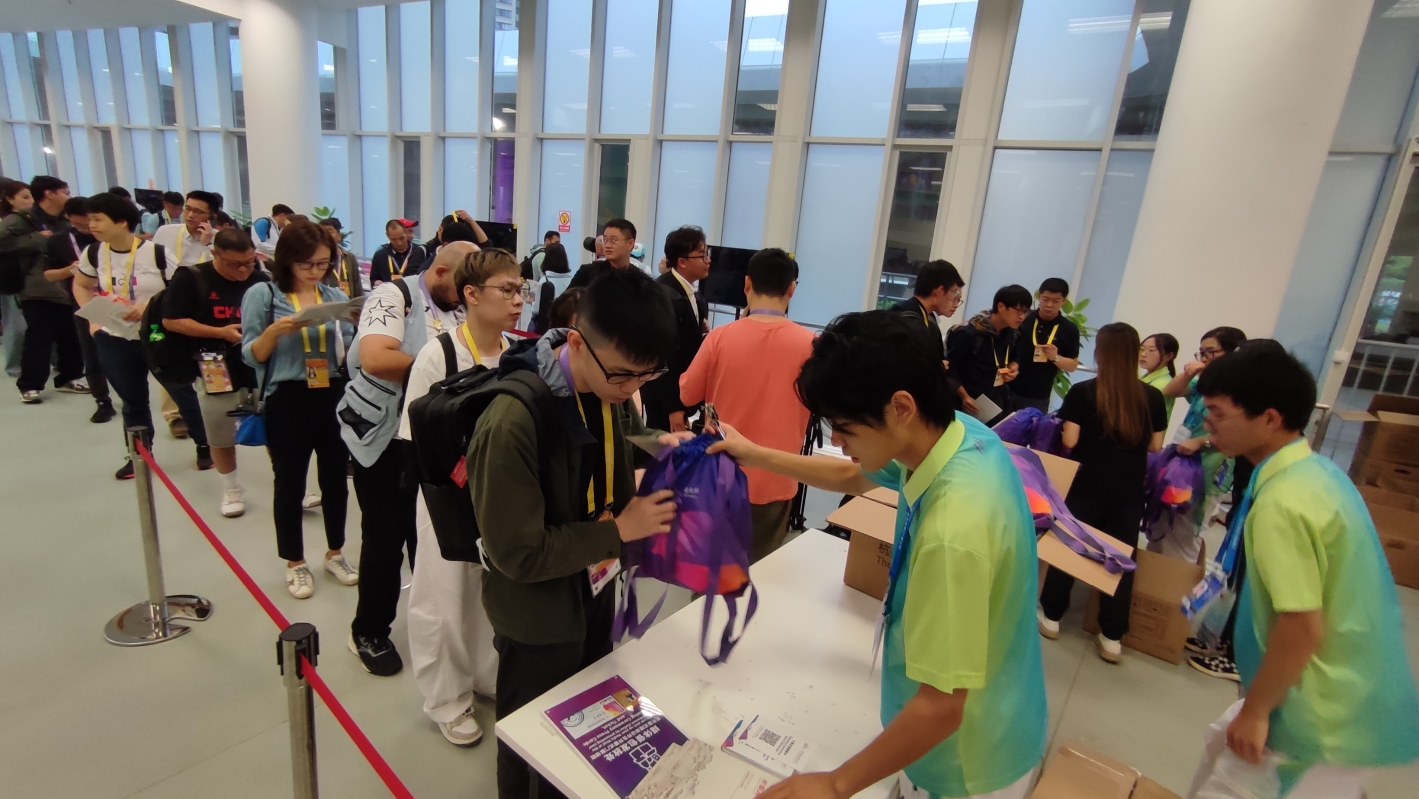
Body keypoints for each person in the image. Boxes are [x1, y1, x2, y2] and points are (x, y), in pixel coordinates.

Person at [711, 311, 1047, 799]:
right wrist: (755, 454)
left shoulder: (953, 530)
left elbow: (941, 708)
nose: (835, 440)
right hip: (990, 705)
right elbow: (853, 475)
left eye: (845, 427)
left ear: (901, 406)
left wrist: (835, 784)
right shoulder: (960, 436)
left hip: (964, 761)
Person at [472, 267, 679, 799]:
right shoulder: (511, 422)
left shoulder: (608, 389)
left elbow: (622, 437)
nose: (631, 389)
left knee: (587, 716)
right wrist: (621, 529)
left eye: (646, 376)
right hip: (536, 614)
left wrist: (664, 443)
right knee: (529, 740)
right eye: (624, 375)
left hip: (593, 588)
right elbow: (519, 554)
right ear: (578, 342)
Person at [1185, 342, 1419, 799]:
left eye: (1217, 412)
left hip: (1312, 709)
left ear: (1269, 418)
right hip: (1336, 691)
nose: (1207, 422)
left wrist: (1257, 711)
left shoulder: (1283, 504)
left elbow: (1301, 624)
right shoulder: (1317, 474)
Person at [402, 246, 523, 746]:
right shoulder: (439, 355)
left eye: (521, 290)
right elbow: (416, 437)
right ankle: (446, 699)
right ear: (471, 294)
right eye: (507, 290)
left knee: (490, 592)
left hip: (503, 496)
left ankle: (484, 674)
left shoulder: (518, 352)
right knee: (443, 595)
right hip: (446, 497)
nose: (518, 301)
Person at [341, 240, 469, 677]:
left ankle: (432, 628)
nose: (466, 296)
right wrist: (449, 373)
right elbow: (376, 358)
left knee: (431, 539)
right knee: (384, 538)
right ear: (440, 273)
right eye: (462, 286)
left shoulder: (459, 307)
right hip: (383, 439)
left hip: (433, 440)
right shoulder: (392, 296)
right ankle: (368, 631)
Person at [240, 220, 359, 599]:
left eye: (323, 263)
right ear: (287, 259)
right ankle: (295, 561)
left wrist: (354, 323)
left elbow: (347, 350)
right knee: (289, 483)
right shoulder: (264, 294)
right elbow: (252, 355)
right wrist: (275, 332)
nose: (315, 271)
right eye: (306, 263)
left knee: (335, 480)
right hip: (288, 397)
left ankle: (335, 552)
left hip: (332, 393)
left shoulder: (331, 294)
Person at [1035, 323, 1167, 663]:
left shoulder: (1083, 392)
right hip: (1128, 490)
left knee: (1070, 546)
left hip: (1086, 484)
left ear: (1101, 353)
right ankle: (1111, 636)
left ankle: (1052, 616)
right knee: (1120, 557)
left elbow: (1070, 440)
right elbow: (1156, 445)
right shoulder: (1152, 397)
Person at [680, 248, 815, 564]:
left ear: (746, 284)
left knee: (712, 569)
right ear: (791, 289)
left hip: (720, 475)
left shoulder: (720, 337)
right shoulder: (812, 345)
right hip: (778, 475)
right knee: (762, 572)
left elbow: (687, 395)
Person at [71, 192, 212, 479]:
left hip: (157, 335)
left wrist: (148, 306)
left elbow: (178, 290)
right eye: (90, 219)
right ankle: (139, 455)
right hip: (114, 336)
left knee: (180, 391)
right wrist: (93, 319)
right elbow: (81, 285)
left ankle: (204, 445)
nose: (92, 225)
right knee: (132, 401)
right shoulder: (93, 253)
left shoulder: (156, 253)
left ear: (121, 222)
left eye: (98, 219)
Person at [160, 229, 268, 518]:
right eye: (235, 264)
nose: (243, 270)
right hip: (214, 365)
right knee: (220, 429)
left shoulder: (261, 280)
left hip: (258, 364)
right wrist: (219, 332)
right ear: (215, 254)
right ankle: (231, 488)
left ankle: (289, 484)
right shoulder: (192, 277)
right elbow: (172, 320)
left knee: (275, 426)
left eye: (249, 262)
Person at [1151, 326, 1247, 564]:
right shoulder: (1206, 382)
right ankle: (1151, 581)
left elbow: (1239, 433)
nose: (1204, 358)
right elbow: (1170, 391)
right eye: (1201, 353)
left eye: (1211, 352)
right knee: (1161, 528)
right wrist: (1188, 374)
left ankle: (1173, 585)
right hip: (1180, 465)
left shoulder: (1240, 390)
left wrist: (1201, 441)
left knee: (1184, 536)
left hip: (1208, 471)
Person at [3, 176, 88, 404]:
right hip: (35, 288)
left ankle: (69, 376)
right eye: (65, 192)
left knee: (71, 335)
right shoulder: (21, 219)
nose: (68, 196)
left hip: (65, 285)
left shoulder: (64, 219)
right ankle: (30, 384)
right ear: (50, 194)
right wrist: (36, 239)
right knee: (39, 336)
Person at [45, 196, 115, 422]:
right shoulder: (58, 241)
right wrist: (70, 270)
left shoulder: (109, 237)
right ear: (68, 218)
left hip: (119, 299)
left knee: (128, 351)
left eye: (91, 221)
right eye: (79, 224)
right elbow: (49, 274)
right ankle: (102, 401)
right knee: (91, 352)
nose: (87, 228)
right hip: (85, 302)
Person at [643, 225, 709, 432]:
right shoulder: (663, 294)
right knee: (662, 447)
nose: (708, 260)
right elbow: (663, 355)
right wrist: (673, 408)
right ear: (682, 262)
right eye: (702, 255)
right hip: (664, 397)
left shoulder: (692, 293)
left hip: (681, 392)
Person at [946, 284, 1030, 419]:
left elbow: (1015, 357)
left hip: (994, 402)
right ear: (1001, 306)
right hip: (964, 404)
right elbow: (950, 370)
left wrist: (1013, 367)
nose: (1022, 317)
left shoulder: (1013, 333)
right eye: (1018, 311)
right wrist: (964, 397)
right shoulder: (969, 334)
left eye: (1026, 312)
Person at [1008, 278, 1080, 413]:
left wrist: (1056, 357)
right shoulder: (1023, 319)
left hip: (1037, 396)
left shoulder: (1069, 329)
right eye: (1045, 299)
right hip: (1007, 387)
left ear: (1064, 301)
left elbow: (1072, 366)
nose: (1049, 305)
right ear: (1039, 296)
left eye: (1056, 301)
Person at [890, 259, 964, 367]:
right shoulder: (909, 320)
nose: (956, 304)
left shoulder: (924, 316)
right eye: (954, 293)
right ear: (940, 291)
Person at [1, 179, 35, 378]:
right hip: (10, 278)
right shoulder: (8, 222)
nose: (30, 201)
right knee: (16, 324)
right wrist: (36, 239)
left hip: (30, 276)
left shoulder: (31, 219)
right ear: (9, 199)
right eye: (25, 197)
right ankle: (14, 366)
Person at [151, 190, 221, 268]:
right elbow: (151, 262)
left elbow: (218, 269)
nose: (190, 215)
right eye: (188, 209)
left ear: (212, 216)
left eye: (197, 211)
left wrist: (207, 245)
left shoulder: (219, 239)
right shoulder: (165, 231)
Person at [567, 218, 636, 289]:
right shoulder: (589, 272)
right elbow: (568, 295)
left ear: (630, 244)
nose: (607, 245)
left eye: (613, 240)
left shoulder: (639, 279)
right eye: (605, 240)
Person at [369, 219, 428, 286]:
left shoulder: (420, 252)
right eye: (394, 239)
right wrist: (376, 283)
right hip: (389, 291)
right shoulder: (380, 256)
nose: (399, 243)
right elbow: (373, 279)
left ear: (405, 233)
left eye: (402, 238)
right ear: (387, 236)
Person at [319, 217, 365, 298]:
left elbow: (357, 286)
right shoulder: (317, 259)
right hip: (326, 302)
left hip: (348, 302)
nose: (326, 235)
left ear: (339, 236)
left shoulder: (349, 257)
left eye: (330, 231)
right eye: (323, 232)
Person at [1139, 332, 1180, 420]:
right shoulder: (1146, 378)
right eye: (1142, 349)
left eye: (1151, 350)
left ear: (1168, 356)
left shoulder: (1161, 384)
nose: (1143, 354)